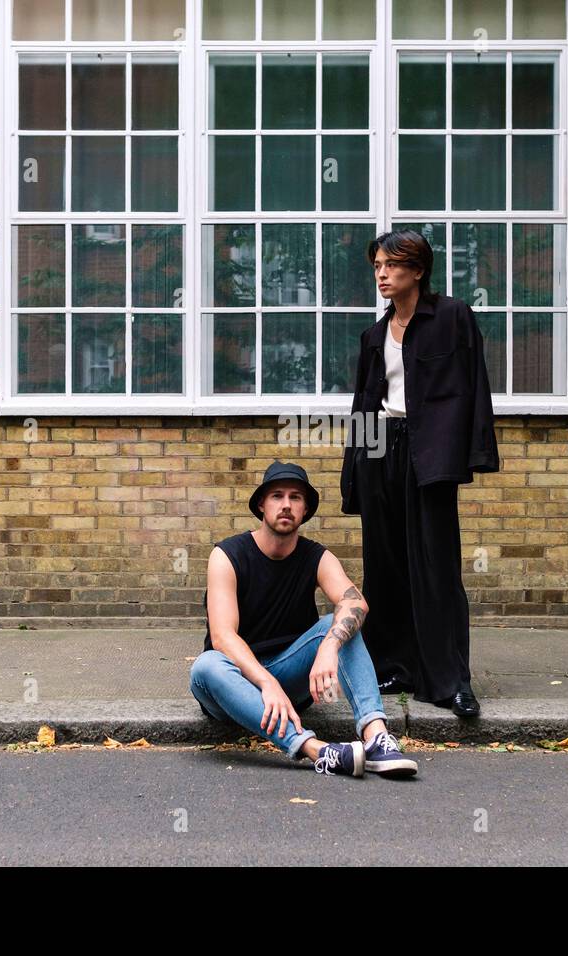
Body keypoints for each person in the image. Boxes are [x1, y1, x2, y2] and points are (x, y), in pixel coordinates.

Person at [339, 229, 500, 718]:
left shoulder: (452, 318)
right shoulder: (374, 335)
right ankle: (393, 666)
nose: (382, 274)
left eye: (391, 265)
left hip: (429, 454)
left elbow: (474, 389)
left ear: (418, 269)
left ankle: (451, 680)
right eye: (377, 267)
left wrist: (470, 454)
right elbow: (365, 405)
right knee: (384, 566)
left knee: (435, 567)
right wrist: (355, 474)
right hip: (380, 450)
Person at [190, 460, 418, 779]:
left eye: (295, 497)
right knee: (206, 665)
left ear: (305, 508)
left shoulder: (316, 556)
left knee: (340, 623)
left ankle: (376, 738)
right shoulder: (227, 555)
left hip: (290, 676)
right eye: (277, 496)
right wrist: (266, 683)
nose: (286, 505)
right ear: (261, 505)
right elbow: (223, 638)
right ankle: (318, 751)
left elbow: (356, 602)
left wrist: (329, 647)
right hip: (234, 684)